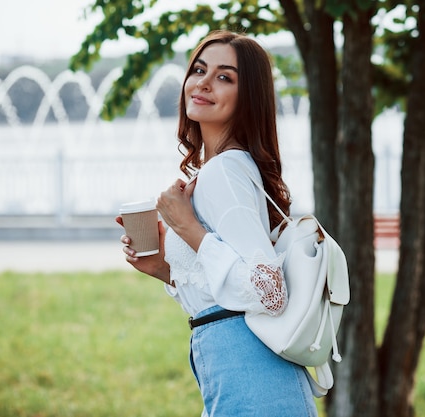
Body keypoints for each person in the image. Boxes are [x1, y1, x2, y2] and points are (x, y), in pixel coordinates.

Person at [115, 30, 318, 417]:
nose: (204, 82)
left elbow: (270, 293)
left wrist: (188, 227)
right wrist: (165, 270)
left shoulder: (225, 170)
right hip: (233, 370)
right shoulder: (219, 169)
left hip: (253, 377)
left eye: (225, 77)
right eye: (199, 70)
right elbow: (225, 289)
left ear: (248, 98)